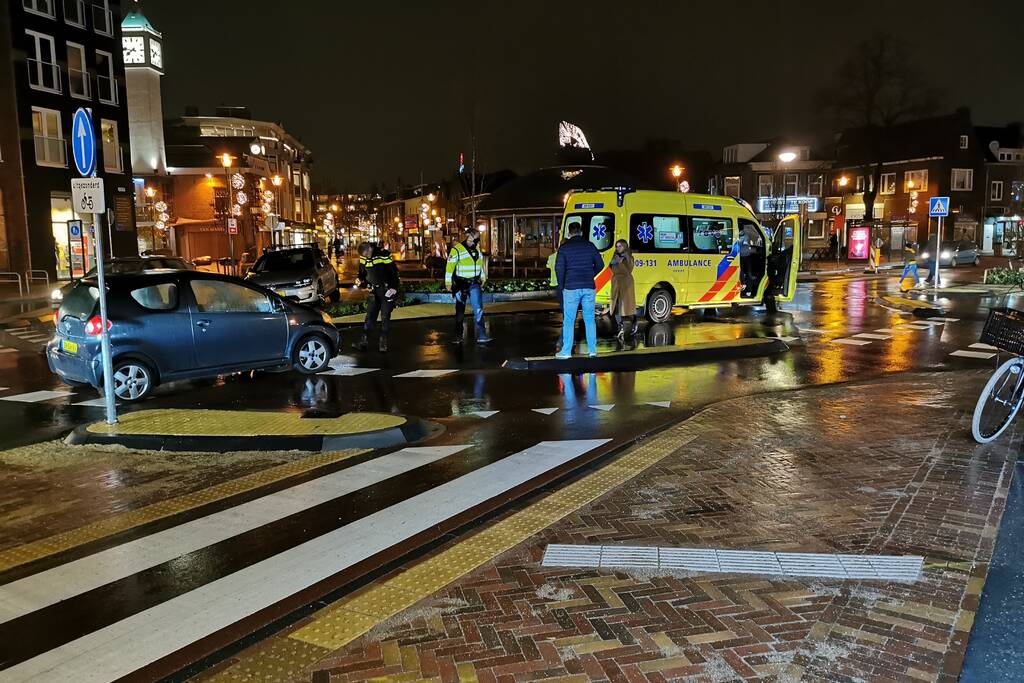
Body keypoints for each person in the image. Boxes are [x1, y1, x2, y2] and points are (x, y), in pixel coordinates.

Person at [555, 222, 604, 359]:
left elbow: (559, 268)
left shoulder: (564, 248)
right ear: (581, 232)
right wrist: (590, 274)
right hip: (589, 287)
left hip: (571, 287)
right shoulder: (590, 246)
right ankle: (593, 350)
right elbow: (600, 264)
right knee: (589, 319)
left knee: (569, 320)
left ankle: (566, 352)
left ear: (569, 233)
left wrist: (562, 285)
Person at [445, 227, 492, 344]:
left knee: (478, 309)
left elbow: (480, 265)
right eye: (476, 237)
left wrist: (483, 277)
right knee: (460, 311)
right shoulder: (457, 250)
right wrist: (448, 283)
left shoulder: (477, 249)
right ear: (469, 236)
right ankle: (458, 336)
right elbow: (449, 268)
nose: (478, 239)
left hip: (474, 283)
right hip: (461, 284)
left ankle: (482, 335)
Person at [352, 241, 400, 352]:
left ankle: (383, 344)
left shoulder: (383, 255)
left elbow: (393, 272)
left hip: (386, 290)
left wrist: (394, 288)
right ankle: (363, 342)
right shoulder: (364, 257)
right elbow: (362, 272)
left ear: (370, 249)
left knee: (385, 316)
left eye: (366, 255)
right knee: (370, 316)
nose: (365, 258)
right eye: (363, 256)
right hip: (373, 291)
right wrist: (360, 279)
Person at [609, 239, 637, 339]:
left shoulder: (629, 257)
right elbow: (611, 268)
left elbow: (628, 270)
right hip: (616, 282)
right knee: (616, 306)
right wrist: (615, 262)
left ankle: (632, 323)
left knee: (626, 307)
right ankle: (620, 325)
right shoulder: (615, 257)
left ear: (625, 246)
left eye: (620, 246)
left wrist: (620, 262)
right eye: (617, 246)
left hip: (626, 283)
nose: (618, 248)